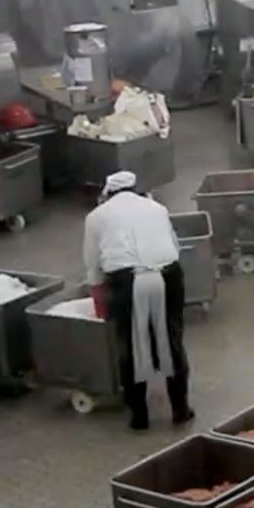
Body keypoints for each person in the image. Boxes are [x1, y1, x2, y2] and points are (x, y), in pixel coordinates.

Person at [83, 172, 191, 431]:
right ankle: (180, 409)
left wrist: (98, 294)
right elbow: (173, 245)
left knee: (130, 346)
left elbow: (92, 263)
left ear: (107, 194)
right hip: (167, 275)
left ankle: (139, 416)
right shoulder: (157, 208)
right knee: (171, 339)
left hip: (125, 280)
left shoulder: (96, 217)